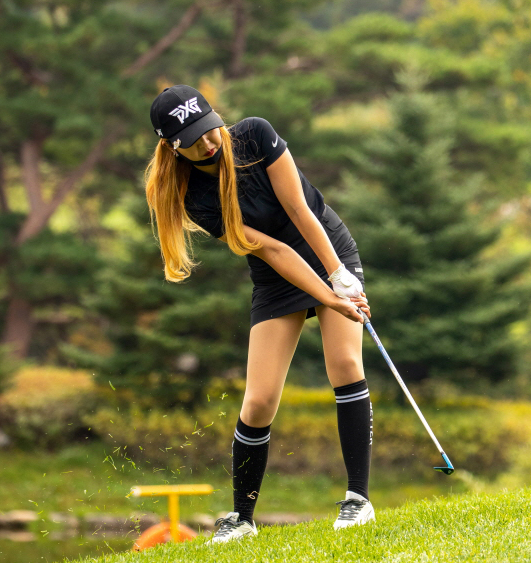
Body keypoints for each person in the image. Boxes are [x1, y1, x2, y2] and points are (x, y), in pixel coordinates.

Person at [145, 85, 376, 543]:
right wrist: (326, 298)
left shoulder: (255, 136)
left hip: (327, 246)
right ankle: (242, 518)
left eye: (209, 129)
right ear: (173, 145)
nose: (208, 143)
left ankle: (358, 500)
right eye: (193, 139)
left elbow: (299, 211)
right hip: (275, 273)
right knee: (259, 399)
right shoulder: (194, 196)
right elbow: (270, 248)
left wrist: (338, 277)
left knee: (346, 364)